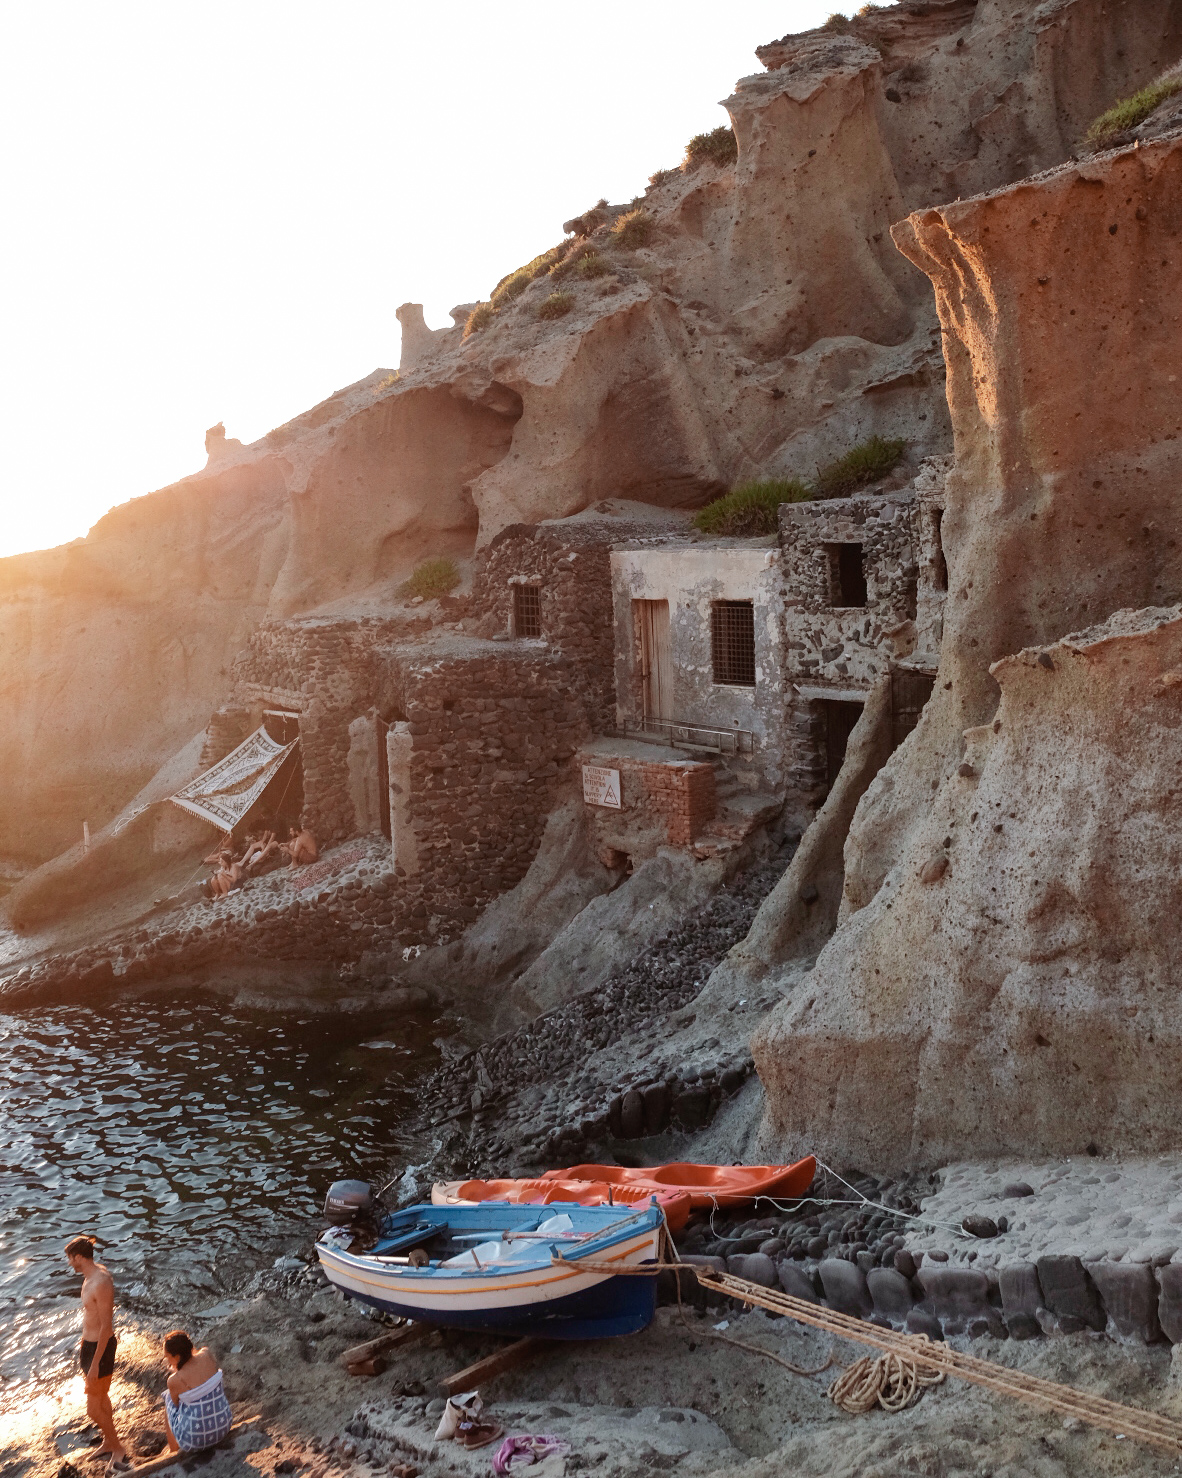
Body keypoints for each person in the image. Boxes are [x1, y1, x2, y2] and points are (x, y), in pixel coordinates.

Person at [65, 1235, 129, 1469]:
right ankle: (109, 1442)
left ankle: (118, 1446)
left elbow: (107, 1327)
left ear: (80, 1257)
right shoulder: (90, 1275)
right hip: (89, 1346)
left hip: (99, 1350)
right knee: (101, 1398)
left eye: (71, 1259)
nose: (69, 1263)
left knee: (93, 1409)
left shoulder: (100, 1282)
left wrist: (94, 1363)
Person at [161, 1330, 233, 1453]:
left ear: (177, 1357)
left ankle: (173, 1450)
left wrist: (179, 1372)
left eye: (167, 1356)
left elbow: (177, 1405)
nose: (167, 1360)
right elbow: (197, 1361)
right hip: (224, 1426)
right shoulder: (207, 1353)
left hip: (194, 1441)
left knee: (168, 1398)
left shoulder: (174, 1380)